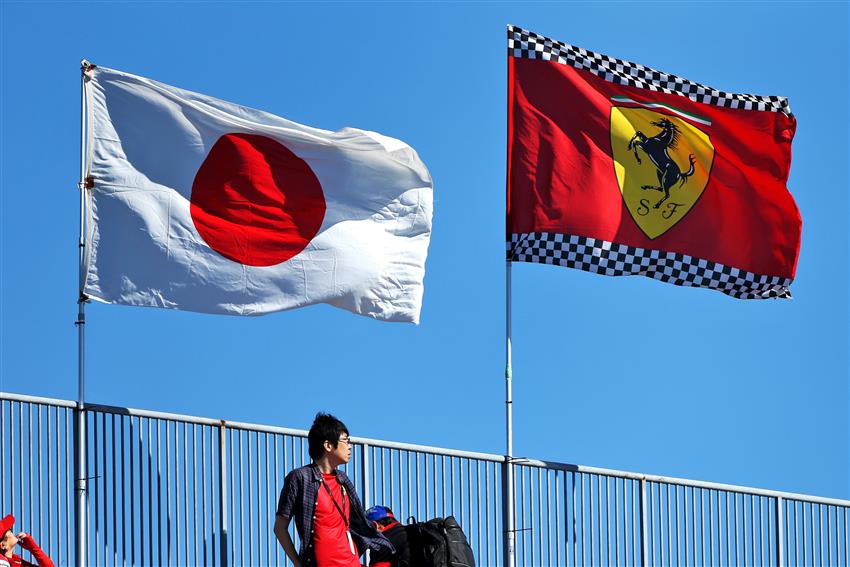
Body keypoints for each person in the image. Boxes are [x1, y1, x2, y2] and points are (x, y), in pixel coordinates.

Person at [274, 413, 393, 567]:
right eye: (345, 440)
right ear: (328, 445)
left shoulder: (343, 480)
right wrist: (298, 564)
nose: (350, 446)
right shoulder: (300, 478)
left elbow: (360, 524)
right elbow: (280, 527)